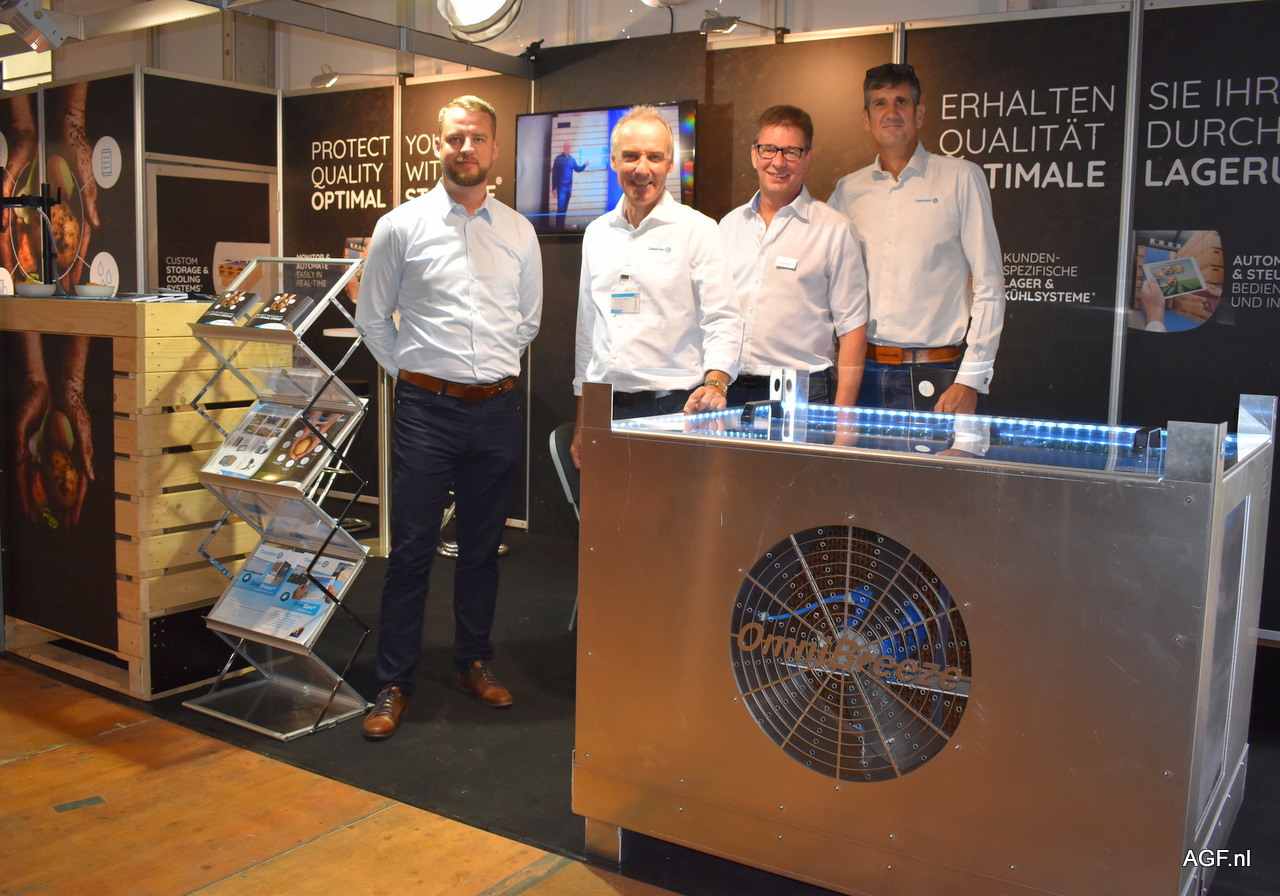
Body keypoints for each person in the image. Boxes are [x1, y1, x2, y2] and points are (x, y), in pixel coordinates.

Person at [355, 95, 542, 739]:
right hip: (425, 414)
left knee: (481, 552)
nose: (467, 148)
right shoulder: (399, 227)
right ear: (438, 146)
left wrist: (485, 373)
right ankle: (393, 683)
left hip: (496, 411)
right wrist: (414, 375)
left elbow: (527, 321)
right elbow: (372, 319)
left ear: (495, 149)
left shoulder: (518, 231)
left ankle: (473, 663)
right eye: (456, 138)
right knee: (409, 553)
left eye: (478, 138)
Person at [828, 63, 1005, 416]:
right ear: (866, 119)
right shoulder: (847, 191)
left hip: (935, 377)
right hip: (858, 375)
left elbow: (990, 285)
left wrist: (971, 379)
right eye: (879, 103)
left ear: (919, 114)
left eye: (901, 102)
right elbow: (823, 278)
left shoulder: (960, 179)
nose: (891, 112)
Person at [571, 105, 742, 467]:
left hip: (673, 410)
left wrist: (716, 383)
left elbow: (723, 318)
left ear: (670, 163)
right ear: (614, 161)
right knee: (607, 505)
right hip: (604, 411)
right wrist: (583, 417)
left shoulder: (698, 230)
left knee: (670, 505)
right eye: (631, 156)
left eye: (654, 157)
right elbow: (587, 331)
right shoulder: (597, 233)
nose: (642, 168)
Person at [719, 105, 867, 408]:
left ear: (807, 159)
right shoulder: (727, 226)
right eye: (769, 149)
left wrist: (843, 417)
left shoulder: (835, 230)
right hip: (731, 390)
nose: (778, 162)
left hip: (802, 393)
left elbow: (852, 329)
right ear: (754, 155)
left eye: (791, 152)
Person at [550, 141, 587, 230]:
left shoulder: (572, 159)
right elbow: (554, 173)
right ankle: (558, 228)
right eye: (566, 146)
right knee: (561, 208)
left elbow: (577, 169)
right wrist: (554, 188)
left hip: (569, 187)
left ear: (570, 148)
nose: (567, 148)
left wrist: (585, 165)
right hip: (561, 187)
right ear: (563, 148)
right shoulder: (558, 158)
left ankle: (561, 227)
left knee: (565, 208)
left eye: (569, 147)